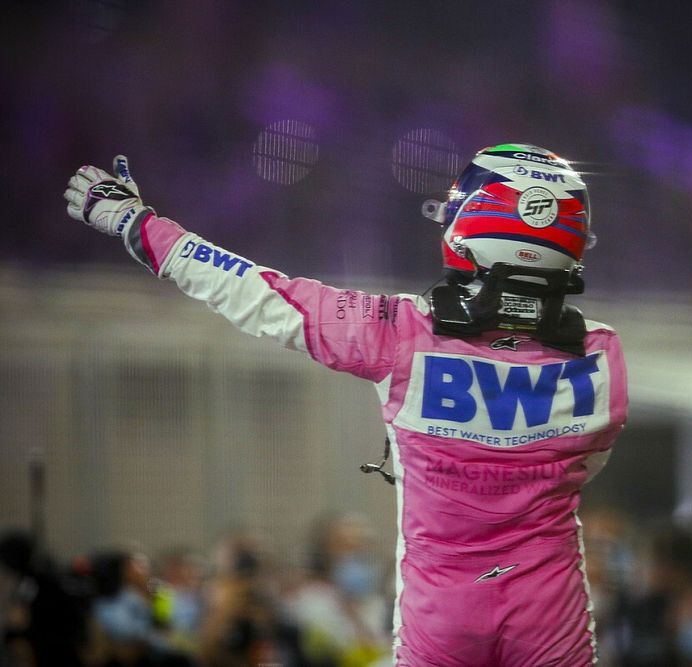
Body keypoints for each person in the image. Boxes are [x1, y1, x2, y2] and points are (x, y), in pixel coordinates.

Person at [64, 143, 629, 665]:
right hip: (550, 611)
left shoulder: (399, 331)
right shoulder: (603, 357)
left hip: (441, 618)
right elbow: (583, 467)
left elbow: (253, 291)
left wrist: (135, 223)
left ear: (470, 225)